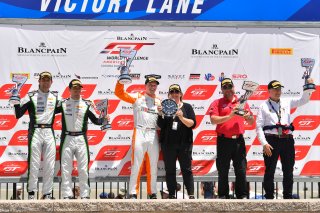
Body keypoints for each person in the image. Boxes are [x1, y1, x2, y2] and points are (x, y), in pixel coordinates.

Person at [256, 79, 315, 199]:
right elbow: (258, 127)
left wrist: (308, 87)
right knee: (270, 170)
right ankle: (269, 197)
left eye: (279, 89)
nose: (278, 91)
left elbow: (304, 100)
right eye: (275, 89)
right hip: (271, 141)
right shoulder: (263, 106)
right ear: (269, 91)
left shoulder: (287, 102)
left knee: (288, 170)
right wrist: (264, 143)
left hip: (287, 140)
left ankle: (287, 196)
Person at [57, 79, 109, 199]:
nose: (77, 90)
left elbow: (96, 121)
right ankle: (66, 194)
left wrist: (104, 119)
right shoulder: (63, 103)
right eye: (74, 88)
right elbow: (48, 113)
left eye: (79, 88)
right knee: (65, 168)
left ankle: (85, 195)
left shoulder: (86, 104)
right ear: (69, 89)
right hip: (67, 138)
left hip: (81, 139)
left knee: (83, 169)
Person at [115, 75, 161, 199]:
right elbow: (119, 93)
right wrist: (121, 81)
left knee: (153, 165)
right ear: (145, 85)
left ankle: (152, 193)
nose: (152, 87)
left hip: (153, 134)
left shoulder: (159, 101)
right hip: (139, 131)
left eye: (155, 85)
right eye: (150, 84)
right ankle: (133, 192)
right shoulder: (137, 97)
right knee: (136, 164)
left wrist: (162, 112)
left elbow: (164, 119)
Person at [14, 71, 58, 200]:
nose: (45, 82)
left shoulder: (55, 98)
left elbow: (68, 108)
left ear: (51, 82)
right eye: (43, 80)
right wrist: (16, 100)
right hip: (35, 132)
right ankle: (32, 193)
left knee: (50, 165)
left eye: (47, 80)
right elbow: (18, 114)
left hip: (49, 131)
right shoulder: (30, 96)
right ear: (39, 81)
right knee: (34, 163)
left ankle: (47, 193)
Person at [209, 78, 254, 199]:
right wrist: (230, 116)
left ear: (234, 87)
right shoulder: (217, 102)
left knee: (241, 169)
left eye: (230, 86)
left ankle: (242, 195)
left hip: (239, 140)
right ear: (222, 90)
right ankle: (223, 195)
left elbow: (251, 122)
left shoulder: (242, 102)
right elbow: (213, 120)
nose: (228, 89)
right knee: (223, 169)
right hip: (223, 140)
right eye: (225, 87)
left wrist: (248, 116)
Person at [157, 84, 196, 199]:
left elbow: (192, 124)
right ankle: (172, 195)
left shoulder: (187, 107)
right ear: (169, 94)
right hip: (168, 144)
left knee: (187, 170)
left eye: (176, 92)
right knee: (170, 170)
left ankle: (191, 195)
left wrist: (182, 117)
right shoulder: (164, 106)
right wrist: (160, 114)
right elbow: (160, 125)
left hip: (185, 144)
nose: (174, 94)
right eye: (172, 92)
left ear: (180, 94)